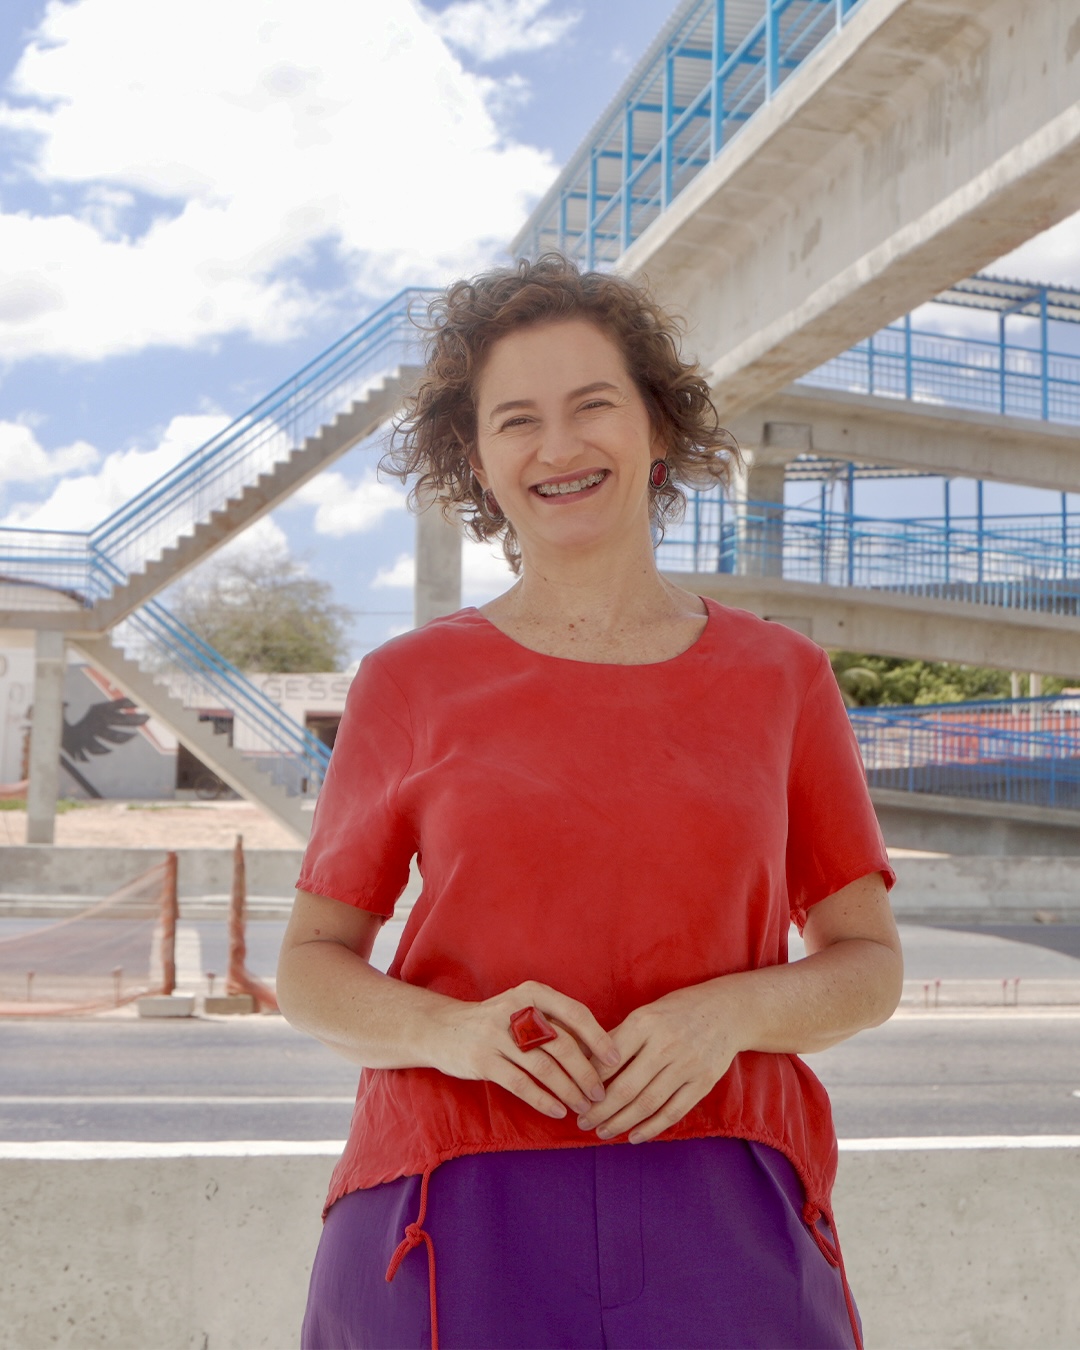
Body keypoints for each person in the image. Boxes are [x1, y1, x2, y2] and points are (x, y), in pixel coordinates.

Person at [277, 254, 903, 1350]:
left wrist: (730, 1015)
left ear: (657, 426)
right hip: (450, 1204)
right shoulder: (408, 683)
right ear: (477, 461)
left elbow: (868, 962)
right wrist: (454, 1034)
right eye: (516, 420)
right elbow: (310, 967)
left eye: (593, 405)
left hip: (728, 1197)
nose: (558, 447)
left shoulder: (782, 678)